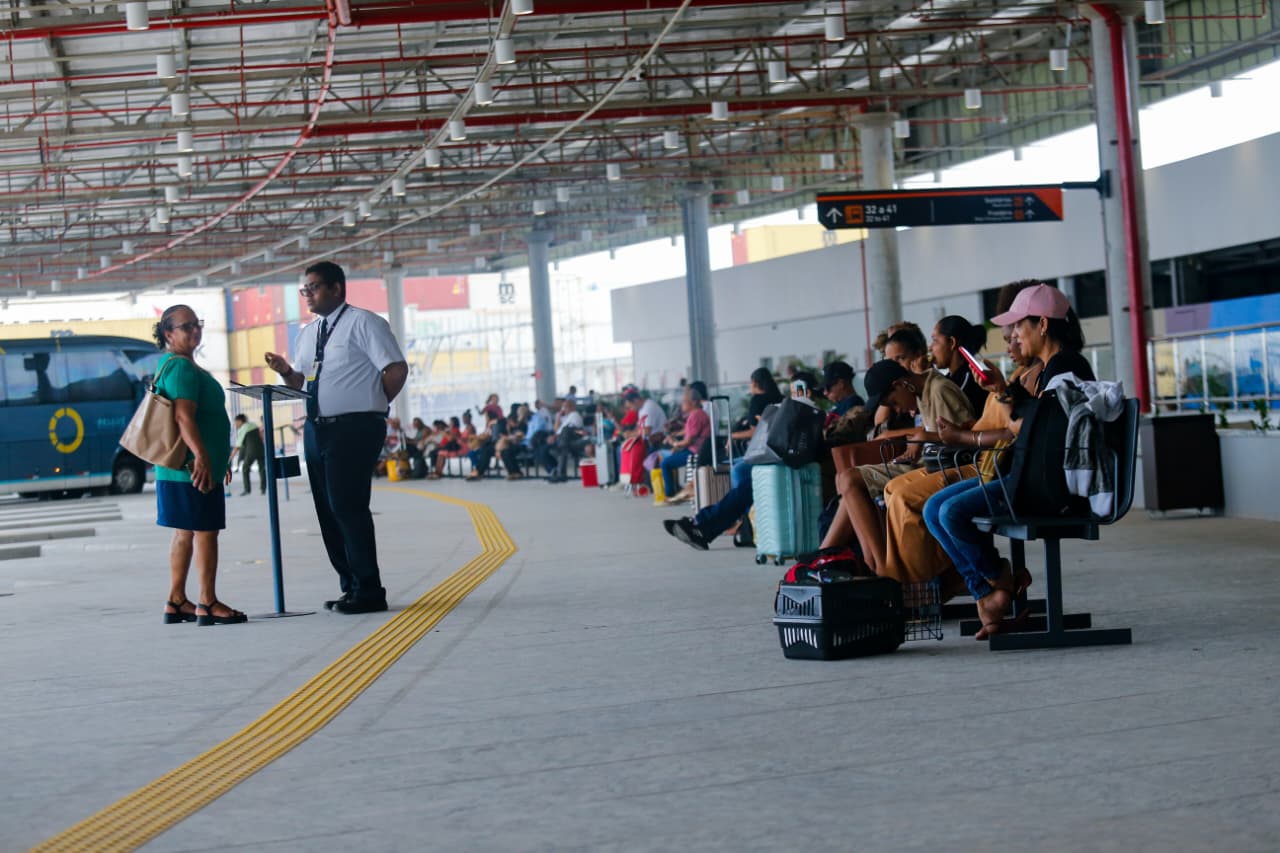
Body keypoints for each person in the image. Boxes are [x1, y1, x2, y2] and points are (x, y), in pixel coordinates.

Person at [924, 282, 1093, 638]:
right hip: (1028, 474)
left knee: (951, 512)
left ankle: (996, 588)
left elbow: (1030, 431)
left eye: (1020, 326)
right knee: (933, 509)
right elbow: (1032, 423)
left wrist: (1002, 398)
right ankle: (992, 592)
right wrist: (1001, 389)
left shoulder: (1065, 368)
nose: (1014, 335)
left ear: (1043, 325)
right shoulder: (1050, 367)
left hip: (1046, 486)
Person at [264, 261, 408, 615]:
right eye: (305, 289)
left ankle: (370, 590)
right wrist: (285, 372)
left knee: (348, 506)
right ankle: (351, 587)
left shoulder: (364, 323)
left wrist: (373, 404)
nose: (307, 295)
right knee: (328, 510)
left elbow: (396, 368)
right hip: (317, 428)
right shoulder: (309, 333)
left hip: (354, 428)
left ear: (337, 289)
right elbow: (302, 382)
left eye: (313, 287)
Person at [153, 305, 245, 627]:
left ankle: (176, 600)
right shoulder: (182, 369)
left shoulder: (175, 365)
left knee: (185, 532)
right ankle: (207, 601)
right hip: (193, 466)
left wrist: (215, 459)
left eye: (197, 324)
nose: (195, 330)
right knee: (206, 532)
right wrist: (204, 458)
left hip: (180, 468)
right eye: (186, 326)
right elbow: (183, 417)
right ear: (169, 334)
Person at [930, 315, 991, 416]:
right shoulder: (948, 379)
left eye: (935, 341)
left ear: (952, 342)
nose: (930, 348)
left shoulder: (971, 380)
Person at [659, 381, 710, 498]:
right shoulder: (698, 413)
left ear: (693, 402)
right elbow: (689, 435)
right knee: (670, 458)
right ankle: (675, 490)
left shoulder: (696, 415)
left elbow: (689, 441)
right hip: (696, 449)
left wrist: (675, 444)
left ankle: (669, 494)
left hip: (695, 451)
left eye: (684, 402)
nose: (682, 405)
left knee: (665, 463)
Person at [547, 398, 586, 483]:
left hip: (574, 440)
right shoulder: (567, 417)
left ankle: (560, 473)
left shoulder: (575, 415)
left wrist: (556, 436)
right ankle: (560, 473)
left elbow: (572, 430)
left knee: (562, 447)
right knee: (559, 449)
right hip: (565, 441)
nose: (564, 409)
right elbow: (556, 430)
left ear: (572, 407)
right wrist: (558, 417)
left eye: (565, 407)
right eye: (563, 407)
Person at [230, 413, 266, 496]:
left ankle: (247, 489)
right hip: (261, 450)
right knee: (262, 469)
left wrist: (230, 458)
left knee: (245, 468)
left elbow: (238, 445)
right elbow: (261, 437)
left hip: (252, 451)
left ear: (239, 421)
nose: (235, 425)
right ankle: (263, 489)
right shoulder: (253, 425)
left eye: (236, 422)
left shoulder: (243, 428)